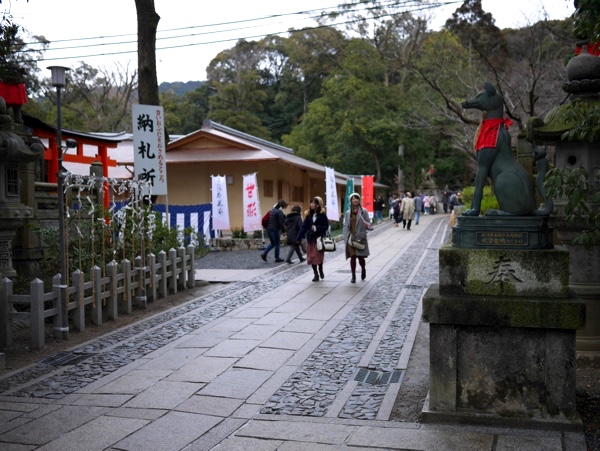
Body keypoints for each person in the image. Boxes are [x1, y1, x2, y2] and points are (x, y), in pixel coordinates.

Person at [296, 196, 329, 282]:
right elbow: (303, 227)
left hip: (319, 239)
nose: (311, 204)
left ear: (318, 205)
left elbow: (326, 226)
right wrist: (298, 238)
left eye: (313, 203)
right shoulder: (308, 215)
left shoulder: (322, 215)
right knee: (311, 257)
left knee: (318, 256)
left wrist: (317, 228)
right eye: (311, 203)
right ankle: (315, 274)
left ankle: (320, 268)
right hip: (310, 239)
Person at [343, 193, 370, 283]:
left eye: (356, 199)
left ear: (359, 200)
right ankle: (353, 275)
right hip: (351, 238)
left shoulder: (364, 211)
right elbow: (345, 225)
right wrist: (345, 237)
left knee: (360, 257)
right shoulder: (348, 213)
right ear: (351, 201)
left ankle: (363, 269)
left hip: (360, 238)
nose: (355, 200)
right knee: (353, 257)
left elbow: (369, 224)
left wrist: (367, 224)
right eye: (353, 199)